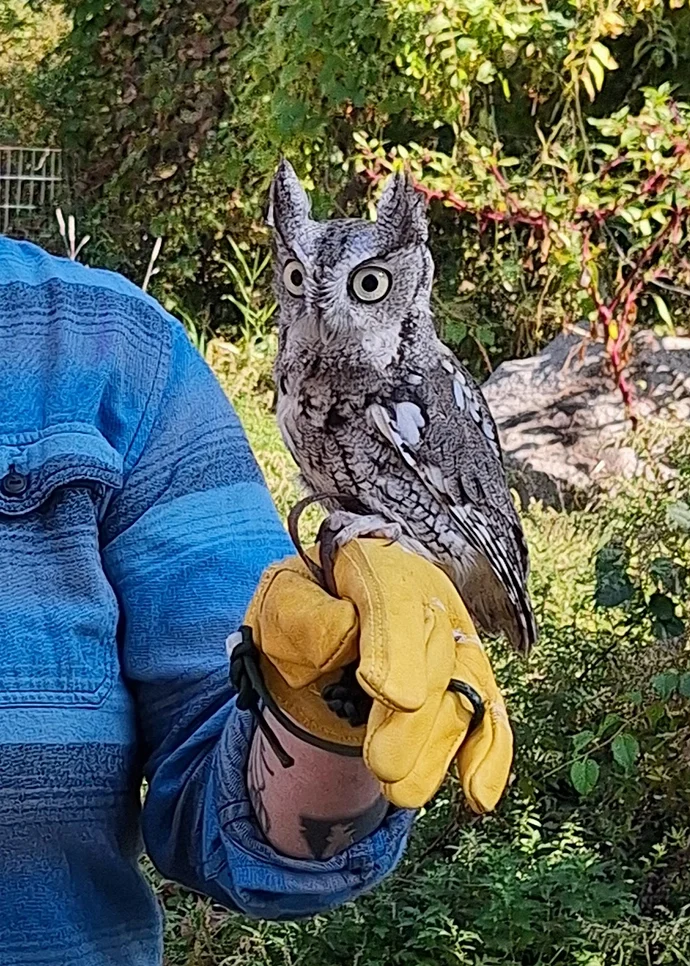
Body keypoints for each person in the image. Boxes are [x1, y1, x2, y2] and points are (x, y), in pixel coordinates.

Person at [0, 235, 512, 966]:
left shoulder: (108, 348)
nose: (328, 313)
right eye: (303, 280)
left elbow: (220, 768)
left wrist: (331, 688)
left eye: (365, 287)